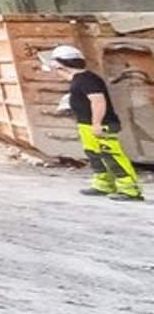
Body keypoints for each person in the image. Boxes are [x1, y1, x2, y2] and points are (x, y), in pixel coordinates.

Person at [45, 44, 142, 201]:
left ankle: (130, 190)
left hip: (100, 125)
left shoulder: (87, 80)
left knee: (112, 156)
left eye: (56, 69)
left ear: (62, 66)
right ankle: (103, 185)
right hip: (86, 125)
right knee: (95, 156)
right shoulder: (79, 80)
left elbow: (98, 102)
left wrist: (96, 124)